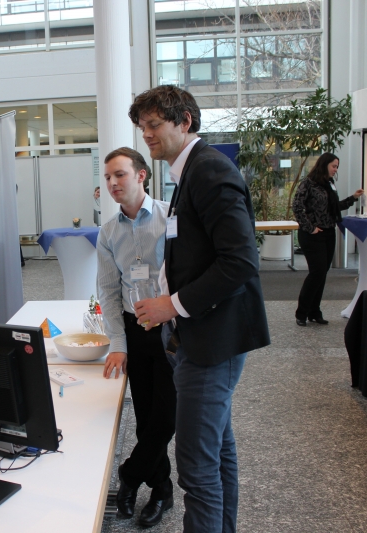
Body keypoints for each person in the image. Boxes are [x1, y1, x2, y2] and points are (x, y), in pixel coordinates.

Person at [129, 85, 271, 533]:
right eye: (142, 127)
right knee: (216, 452)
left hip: (213, 340)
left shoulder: (208, 170)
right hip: (201, 335)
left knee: (195, 466)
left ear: (185, 120)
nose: (146, 134)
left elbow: (241, 261)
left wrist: (171, 305)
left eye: (154, 124)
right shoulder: (189, 173)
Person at [97, 147, 176, 527]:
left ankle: (128, 477)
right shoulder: (108, 232)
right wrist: (118, 344)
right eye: (108, 177)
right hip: (135, 329)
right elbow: (108, 292)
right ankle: (162, 489)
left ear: (141, 175)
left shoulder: (169, 217)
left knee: (167, 417)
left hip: (172, 329)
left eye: (120, 174)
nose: (112, 183)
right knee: (146, 417)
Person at [293, 153, 363, 326]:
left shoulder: (330, 184)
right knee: (316, 273)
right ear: (324, 165)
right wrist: (310, 227)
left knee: (322, 273)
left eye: (337, 166)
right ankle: (301, 313)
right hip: (312, 234)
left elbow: (334, 207)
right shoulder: (308, 183)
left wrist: (353, 198)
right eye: (333, 166)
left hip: (328, 233)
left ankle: (314, 312)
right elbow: (297, 207)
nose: (335, 169)